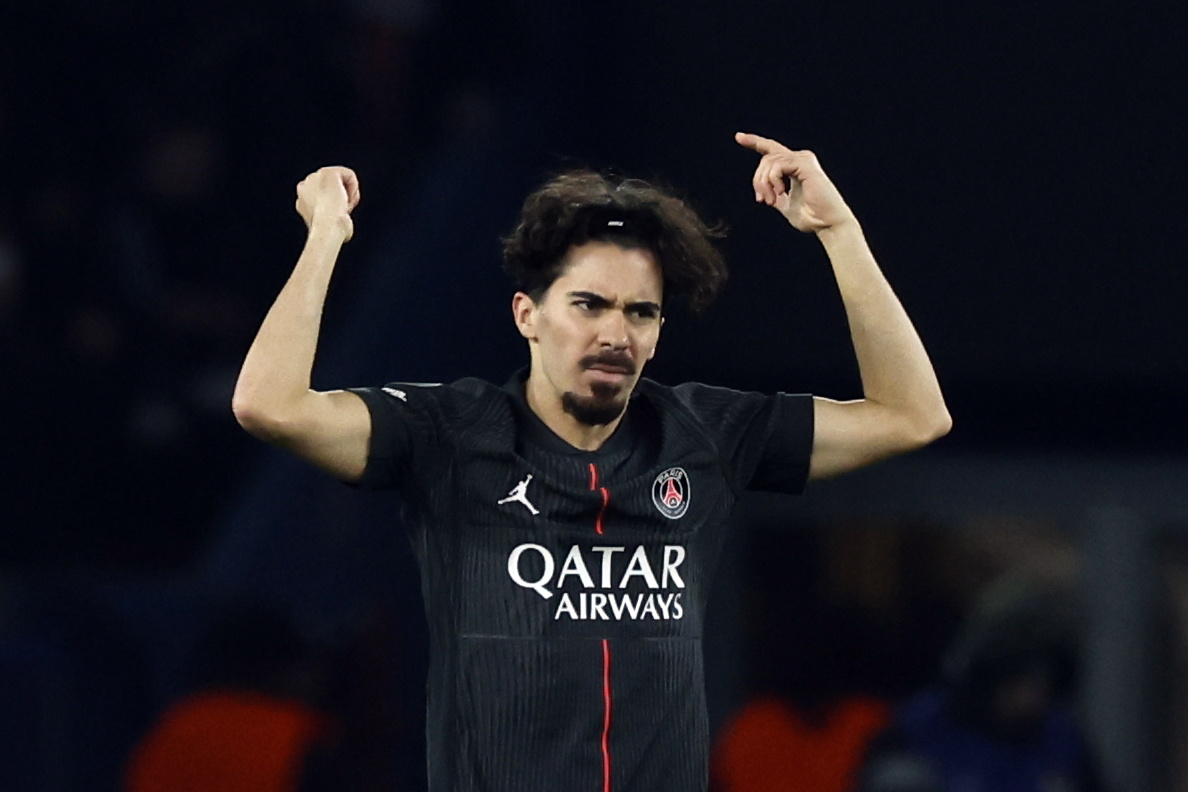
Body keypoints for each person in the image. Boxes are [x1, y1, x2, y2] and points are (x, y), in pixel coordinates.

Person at [232, 131, 951, 792]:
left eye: (641, 312)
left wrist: (839, 232)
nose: (616, 333)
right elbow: (270, 405)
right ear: (527, 315)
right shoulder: (447, 434)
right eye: (588, 304)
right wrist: (325, 237)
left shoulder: (705, 434)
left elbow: (913, 415)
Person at [856, 579, 1106, 792]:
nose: (1033, 696)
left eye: (1043, 684)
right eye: (1020, 682)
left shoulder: (1062, 739)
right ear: (991, 680)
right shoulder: (920, 728)